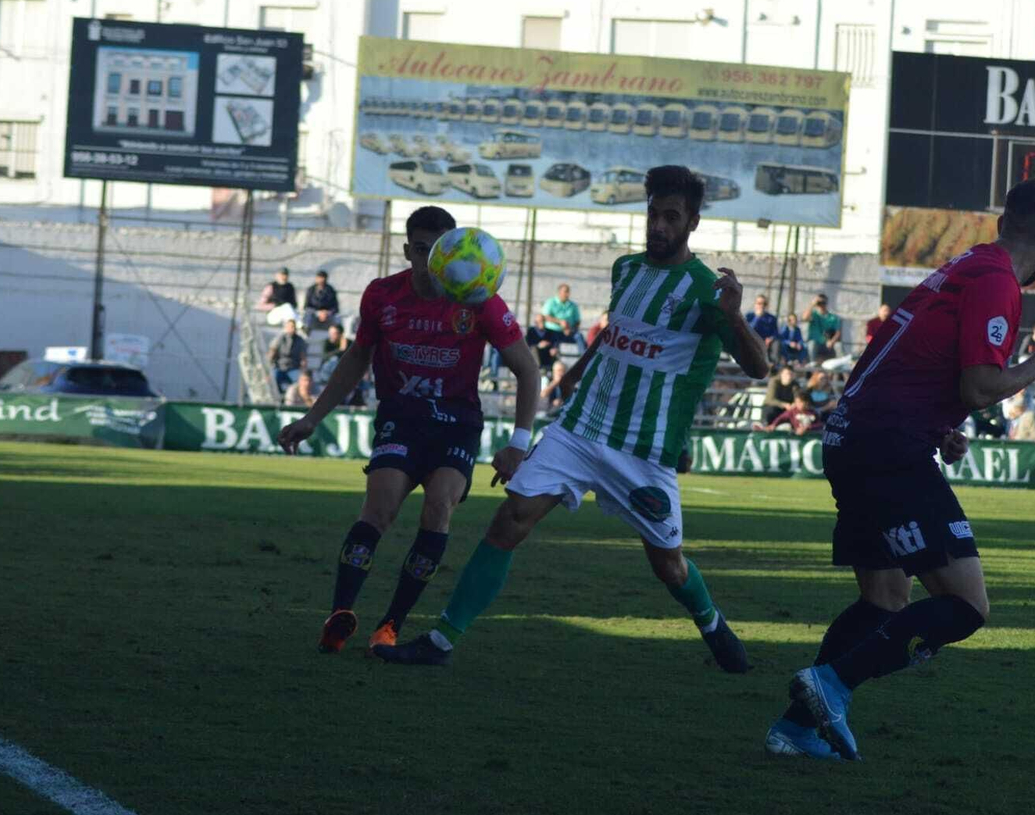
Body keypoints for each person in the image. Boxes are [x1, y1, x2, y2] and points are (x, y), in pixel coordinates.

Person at [376, 165, 772, 673]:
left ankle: (711, 621)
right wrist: (573, 376)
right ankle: (441, 640)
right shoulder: (625, 269)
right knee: (509, 520)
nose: (657, 226)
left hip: (641, 450)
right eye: (652, 214)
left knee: (667, 565)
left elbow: (758, 369)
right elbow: (616, 334)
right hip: (581, 429)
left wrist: (736, 317)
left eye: (670, 217)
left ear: (692, 223)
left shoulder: (706, 291)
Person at [778, 177, 1035, 762]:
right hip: (887, 448)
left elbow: (915, 356)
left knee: (885, 598)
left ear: (1002, 221)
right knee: (966, 606)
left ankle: (795, 728)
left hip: (858, 437)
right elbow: (979, 385)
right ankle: (832, 684)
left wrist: (936, 422)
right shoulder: (997, 282)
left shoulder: (969, 264)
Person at [277, 206, 541, 656]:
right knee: (378, 509)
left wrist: (519, 444)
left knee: (438, 508)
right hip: (400, 420)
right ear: (408, 250)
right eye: (422, 250)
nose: (432, 261)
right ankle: (340, 615)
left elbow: (528, 370)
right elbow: (355, 360)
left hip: (457, 426)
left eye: (441, 251)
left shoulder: (478, 300)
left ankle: (391, 625)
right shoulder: (382, 295)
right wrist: (311, 418)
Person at [268, 318, 307, 393]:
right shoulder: (280, 338)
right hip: (280, 367)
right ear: (286, 328)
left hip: (293, 368)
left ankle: (293, 398)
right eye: (290, 327)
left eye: (293, 327)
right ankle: (280, 395)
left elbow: (303, 357)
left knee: (300, 382)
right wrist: (269, 365)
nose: (292, 329)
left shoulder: (300, 340)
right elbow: (272, 351)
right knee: (273, 379)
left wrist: (303, 369)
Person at [805, 293, 842, 362]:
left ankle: (841, 367)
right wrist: (812, 304)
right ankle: (812, 363)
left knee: (838, 346)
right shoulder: (813, 315)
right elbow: (805, 318)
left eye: (823, 302)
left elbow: (838, 332)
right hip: (816, 343)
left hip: (827, 343)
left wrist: (832, 341)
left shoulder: (832, 317)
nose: (821, 305)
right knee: (811, 344)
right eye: (819, 303)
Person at [746, 295, 780, 359]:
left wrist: (770, 338)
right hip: (753, 340)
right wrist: (757, 317)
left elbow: (776, 332)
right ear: (755, 304)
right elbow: (748, 329)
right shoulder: (749, 316)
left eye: (764, 304)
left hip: (766, 341)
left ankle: (773, 363)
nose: (761, 306)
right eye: (759, 303)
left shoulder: (771, 318)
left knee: (777, 343)